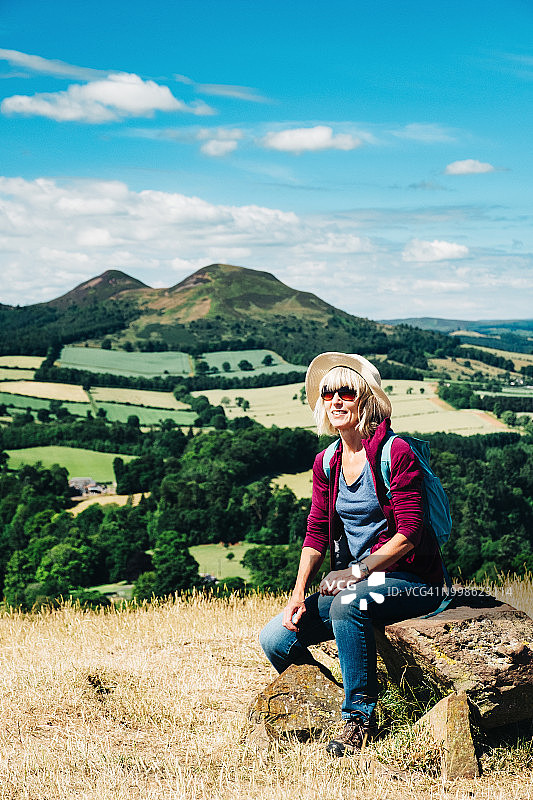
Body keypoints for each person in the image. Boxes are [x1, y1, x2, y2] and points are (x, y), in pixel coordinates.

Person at [259, 352, 444, 757]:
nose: (335, 400)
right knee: (274, 638)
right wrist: (296, 595)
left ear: (367, 400)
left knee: (346, 605)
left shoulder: (395, 454)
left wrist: (356, 572)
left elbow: (410, 533)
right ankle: (326, 709)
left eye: (347, 391)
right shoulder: (326, 462)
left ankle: (359, 719)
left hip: (412, 581)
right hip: (355, 582)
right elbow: (315, 532)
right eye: (328, 393)